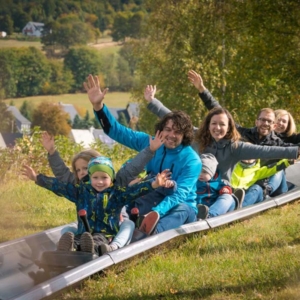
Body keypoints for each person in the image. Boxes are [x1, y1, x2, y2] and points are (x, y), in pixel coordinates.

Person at [84, 75, 202, 234]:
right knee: (127, 201)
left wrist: (156, 212)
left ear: (185, 135)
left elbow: (180, 194)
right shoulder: (150, 143)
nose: (171, 135)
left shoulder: (192, 160)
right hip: (150, 197)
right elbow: (117, 131)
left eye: (178, 132)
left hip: (179, 205)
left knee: (181, 210)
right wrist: (99, 107)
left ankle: (148, 233)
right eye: (168, 130)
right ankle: (108, 229)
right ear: (161, 130)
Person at [22, 133, 172, 256]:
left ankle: (107, 248)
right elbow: (59, 185)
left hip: (107, 233)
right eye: (79, 170)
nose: (99, 181)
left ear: (110, 177)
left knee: (124, 226)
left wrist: (153, 181)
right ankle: (68, 247)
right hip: (84, 232)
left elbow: (135, 184)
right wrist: (38, 178)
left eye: (85, 169)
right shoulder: (80, 190)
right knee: (67, 231)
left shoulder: (116, 191)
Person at [196, 153, 236, 220]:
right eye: (199, 171)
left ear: (212, 173)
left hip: (215, 206)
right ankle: (203, 215)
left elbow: (225, 187)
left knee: (228, 197)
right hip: (199, 207)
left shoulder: (218, 182)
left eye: (204, 172)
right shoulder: (194, 181)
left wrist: (225, 190)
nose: (200, 174)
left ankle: (209, 216)